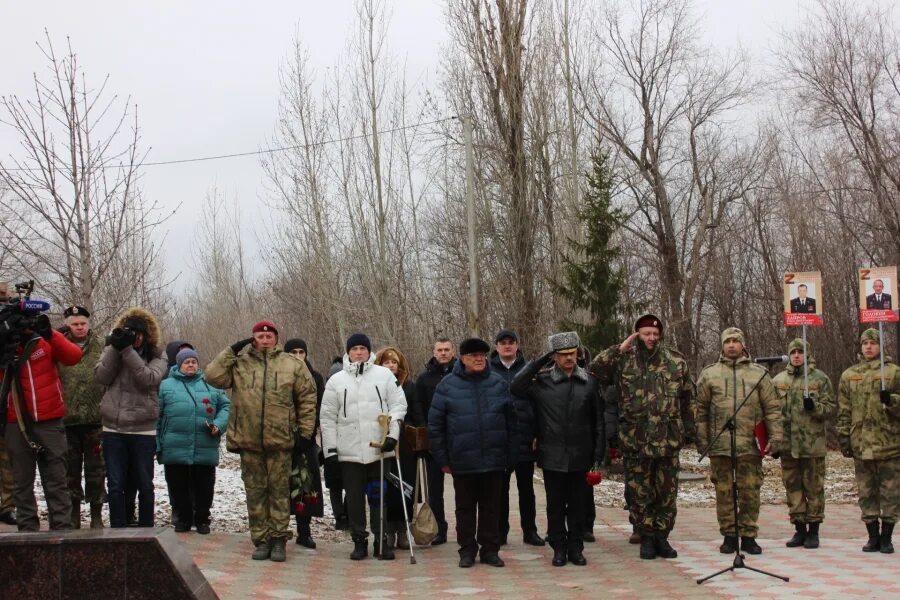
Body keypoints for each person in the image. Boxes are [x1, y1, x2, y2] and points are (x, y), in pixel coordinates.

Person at [206, 320, 317, 562]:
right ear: (253, 339)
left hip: (281, 440)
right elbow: (212, 376)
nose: (264, 340)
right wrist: (232, 350)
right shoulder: (240, 364)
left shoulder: (292, 364)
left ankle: (278, 540)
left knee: (278, 492)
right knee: (255, 493)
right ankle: (261, 540)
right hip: (249, 440)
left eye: (269, 336)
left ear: (276, 338)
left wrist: (305, 433)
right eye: (259, 336)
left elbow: (308, 397)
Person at [591, 315, 696, 560]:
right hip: (635, 440)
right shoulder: (623, 360)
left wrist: (690, 433)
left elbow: (688, 399)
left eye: (655, 334)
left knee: (667, 493)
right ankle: (646, 537)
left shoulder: (675, 360)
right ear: (637, 334)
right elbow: (595, 370)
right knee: (640, 494)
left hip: (668, 440)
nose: (651, 338)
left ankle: (662, 537)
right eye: (646, 334)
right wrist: (619, 349)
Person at [511, 331, 603, 567]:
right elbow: (516, 387)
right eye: (562, 355)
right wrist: (540, 361)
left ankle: (576, 548)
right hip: (552, 454)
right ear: (554, 357)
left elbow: (598, 421)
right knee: (555, 506)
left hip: (581, 454)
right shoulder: (542, 381)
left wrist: (598, 453)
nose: (569, 358)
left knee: (578, 506)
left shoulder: (589, 382)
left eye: (572, 353)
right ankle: (559, 548)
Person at [428, 337, 516, 569]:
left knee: (491, 508)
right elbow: (435, 427)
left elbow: (512, 423)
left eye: (482, 355)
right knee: (465, 510)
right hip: (463, 460)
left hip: (494, 460)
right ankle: (467, 550)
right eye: (473, 356)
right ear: (463, 358)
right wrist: (443, 459)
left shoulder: (498, 383)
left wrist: (510, 454)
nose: (479, 359)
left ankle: (490, 550)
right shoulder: (447, 386)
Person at [320, 333, 407, 561]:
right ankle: (359, 540)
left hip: (379, 449)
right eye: (355, 348)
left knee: (379, 497)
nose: (359, 352)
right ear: (348, 352)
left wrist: (393, 435)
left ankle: (381, 541)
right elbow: (327, 418)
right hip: (349, 451)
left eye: (363, 348)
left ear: (369, 351)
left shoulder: (384, 375)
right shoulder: (336, 381)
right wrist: (330, 451)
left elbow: (398, 405)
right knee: (355, 499)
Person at [696, 327, 782, 556]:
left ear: (743, 344)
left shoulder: (759, 374)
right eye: (728, 341)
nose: (732, 345)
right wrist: (703, 441)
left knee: (750, 491)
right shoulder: (709, 374)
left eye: (736, 341)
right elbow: (701, 411)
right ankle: (729, 535)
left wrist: (775, 437)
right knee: (724, 491)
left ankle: (749, 535)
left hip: (750, 445)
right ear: (722, 345)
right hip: (720, 444)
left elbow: (772, 408)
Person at [2, 309, 82, 531]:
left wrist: (50, 334)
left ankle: (62, 529)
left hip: (50, 420)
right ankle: (27, 531)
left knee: (57, 479)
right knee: (22, 482)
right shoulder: (4, 345)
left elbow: (73, 356)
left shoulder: (44, 341)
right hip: (15, 420)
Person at [94, 307, 167, 529]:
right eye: (129, 332)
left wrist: (128, 351)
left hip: (143, 431)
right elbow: (101, 376)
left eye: (138, 334)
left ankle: (146, 530)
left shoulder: (157, 355)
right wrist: (115, 349)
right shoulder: (113, 348)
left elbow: (149, 379)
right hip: (113, 429)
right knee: (115, 483)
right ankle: (117, 528)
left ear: (146, 335)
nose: (134, 338)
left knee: (144, 483)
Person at [837, 328, 900, 554]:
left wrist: (892, 400)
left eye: (873, 343)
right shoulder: (849, 375)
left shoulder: (893, 373)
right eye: (865, 343)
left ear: (880, 346)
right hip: (861, 443)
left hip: (888, 443)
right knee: (866, 492)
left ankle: (887, 537)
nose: (869, 347)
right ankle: (872, 535)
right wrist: (844, 437)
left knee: (890, 492)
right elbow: (844, 410)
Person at [157, 348, 230, 534]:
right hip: (174, 445)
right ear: (179, 364)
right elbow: (156, 415)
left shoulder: (210, 384)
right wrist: (157, 443)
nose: (191, 364)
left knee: (204, 486)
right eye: (186, 362)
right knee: (177, 485)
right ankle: (183, 519)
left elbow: (225, 406)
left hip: (204, 444)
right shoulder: (165, 386)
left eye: (194, 361)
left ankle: (203, 519)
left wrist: (219, 425)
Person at [772, 339, 835, 549]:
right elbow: (772, 413)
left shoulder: (819, 378)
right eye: (793, 352)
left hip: (811, 444)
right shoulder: (779, 380)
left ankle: (814, 530)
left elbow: (831, 408)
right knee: (792, 486)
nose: (797, 355)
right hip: (788, 445)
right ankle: (799, 528)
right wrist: (774, 442)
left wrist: (815, 406)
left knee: (814, 488)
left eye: (801, 352)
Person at [490, 329, 543, 547]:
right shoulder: (489, 370)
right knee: (500, 489)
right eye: (503, 343)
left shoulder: (529, 370)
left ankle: (530, 531)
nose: (507, 346)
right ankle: (500, 531)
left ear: (517, 345)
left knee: (526, 489)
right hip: (500, 438)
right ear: (497, 346)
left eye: (511, 342)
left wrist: (537, 433)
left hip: (524, 436)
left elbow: (540, 403)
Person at [57, 305, 107, 529]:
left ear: (89, 323)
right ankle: (74, 514)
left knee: (97, 469)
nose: (79, 327)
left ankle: (96, 514)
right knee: (70, 471)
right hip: (67, 420)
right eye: (75, 324)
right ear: (67, 324)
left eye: (83, 323)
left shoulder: (102, 344)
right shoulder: (57, 344)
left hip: (96, 419)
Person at [413, 336, 456, 545]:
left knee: (465, 490)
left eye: (447, 349)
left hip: (458, 440)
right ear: (433, 351)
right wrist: (425, 436)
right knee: (435, 490)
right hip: (434, 441)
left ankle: (466, 528)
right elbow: (419, 409)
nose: (443, 353)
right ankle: (440, 529)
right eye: (439, 350)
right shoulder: (423, 379)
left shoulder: (462, 375)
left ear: (453, 351)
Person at [374, 346, 416, 551]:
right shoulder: (374, 385)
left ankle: (404, 530)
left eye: (394, 363)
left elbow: (417, 414)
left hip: (405, 446)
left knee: (405, 489)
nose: (390, 366)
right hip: (382, 443)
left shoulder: (409, 385)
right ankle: (388, 530)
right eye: (386, 362)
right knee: (386, 489)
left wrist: (420, 438)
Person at [284, 338, 325, 549]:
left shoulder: (316, 378)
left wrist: (308, 432)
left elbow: (320, 408)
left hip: (306, 440)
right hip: (282, 439)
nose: (298, 356)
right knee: (282, 487)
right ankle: (279, 530)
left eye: (301, 352)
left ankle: (304, 531)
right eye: (293, 352)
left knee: (304, 486)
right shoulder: (280, 376)